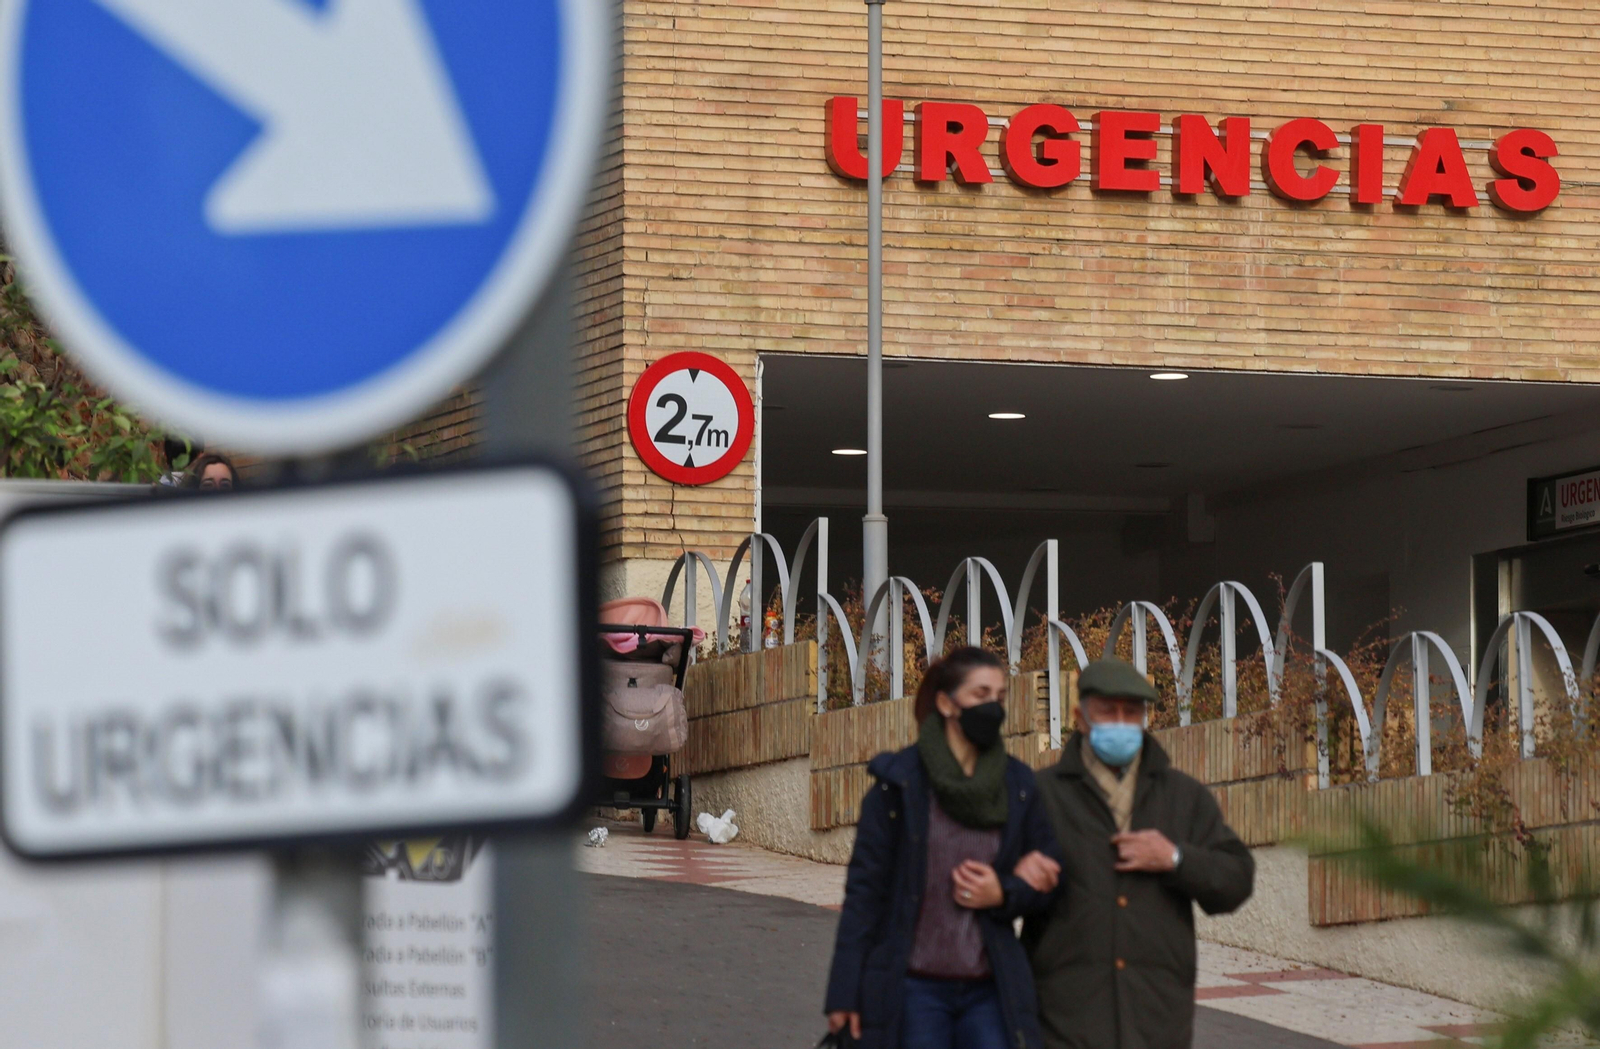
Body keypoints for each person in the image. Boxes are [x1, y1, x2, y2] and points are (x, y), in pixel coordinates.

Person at [824, 647, 1062, 1049]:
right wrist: (844, 992)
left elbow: (1051, 875)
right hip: (914, 988)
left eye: (1000, 697)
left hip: (990, 988)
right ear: (946, 703)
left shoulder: (1018, 786)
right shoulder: (898, 785)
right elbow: (864, 895)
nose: (993, 707)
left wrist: (1003, 892)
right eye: (980, 694)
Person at [1016, 658, 1255, 1049]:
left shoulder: (1183, 796)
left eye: (1132, 712)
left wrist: (1177, 859)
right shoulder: (1040, 795)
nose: (1121, 722)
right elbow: (994, 885)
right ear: (1080, 716)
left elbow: (1236, 879)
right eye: (1108, 711)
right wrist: (1018, 873)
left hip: (1155, 1017)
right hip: (1064, 1015)